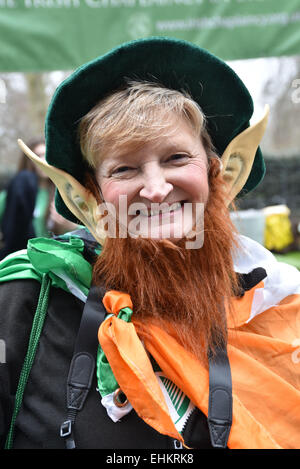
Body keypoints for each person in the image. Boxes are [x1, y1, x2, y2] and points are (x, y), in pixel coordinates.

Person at [0, 37, 299, 450]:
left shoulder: (278, 302)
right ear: (90, 195)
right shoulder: (25, 302)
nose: (156, 189)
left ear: (219, 173)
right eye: (124, 168)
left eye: (177, 158)